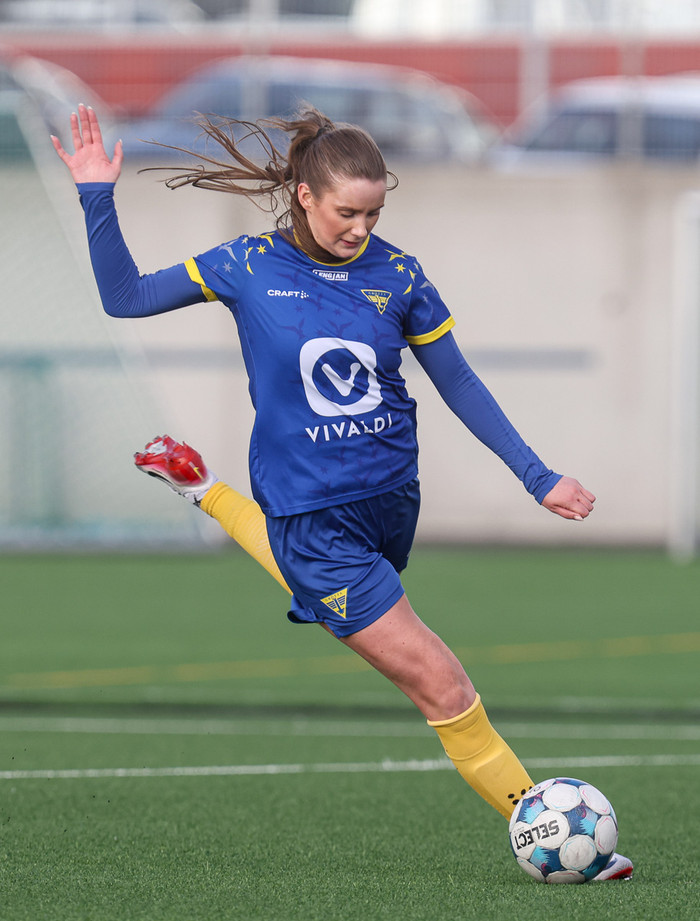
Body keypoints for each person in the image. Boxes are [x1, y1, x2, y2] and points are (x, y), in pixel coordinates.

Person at [52, 104, 632, 880]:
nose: (360, 228)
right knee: (443, 684)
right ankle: (551, 831)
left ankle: (201, 486)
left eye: (373, 213)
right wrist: (96, 193)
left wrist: (538, 476)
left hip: (392, 501)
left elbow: (457, 380)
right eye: (346, 213)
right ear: (304, 195)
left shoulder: (399, 275)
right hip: (316, 523)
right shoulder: (247, 264)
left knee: (329, 589)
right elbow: (126, 297)